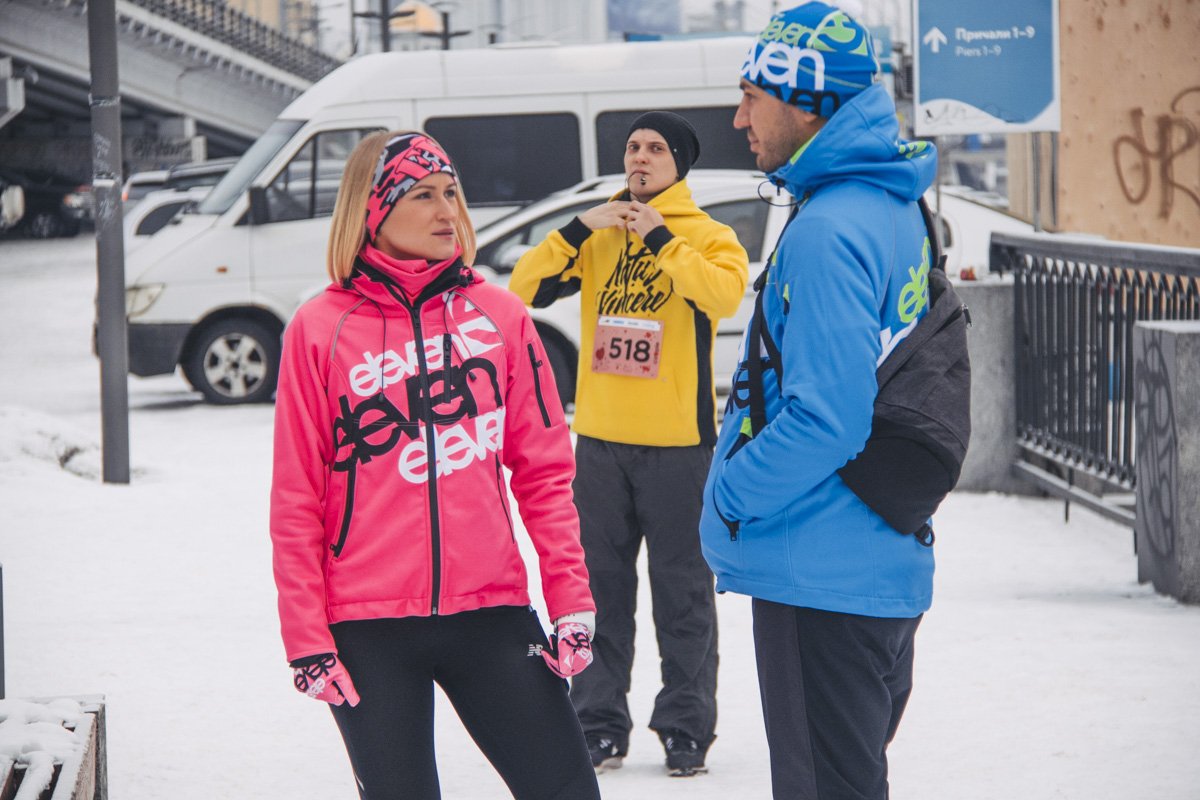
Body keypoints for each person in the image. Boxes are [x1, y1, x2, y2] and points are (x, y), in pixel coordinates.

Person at [269, 130, 601, 800]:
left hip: (491, 611)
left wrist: (570, 600)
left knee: (566, 789)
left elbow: (543, 474)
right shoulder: (318, 328)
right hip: (367, 627)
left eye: (451, 192)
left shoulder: (501, 317)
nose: (447, 210)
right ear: (372, 208)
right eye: (422, 195)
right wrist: (307, 637)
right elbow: (296, 496)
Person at [699, 4, 940, 799]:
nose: (738, 119)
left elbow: (827, 419)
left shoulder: (830, 229)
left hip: (818, 568)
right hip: (872, 551)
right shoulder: (891, 206)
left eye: (751, 98)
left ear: (806, 102)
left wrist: (730, 493)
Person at [508, 111, 749, 777]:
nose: (639, 158)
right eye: (632, 147)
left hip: (677, 445)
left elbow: (724, 296)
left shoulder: (708, 235)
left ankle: (685, 728)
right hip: (603, 443)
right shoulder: (599, 232)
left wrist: (663, 239)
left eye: (654, 149)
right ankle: (598, 724)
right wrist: (582, 227)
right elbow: (523, 286)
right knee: (599, 592)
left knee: (683, 595)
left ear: (680, 162)